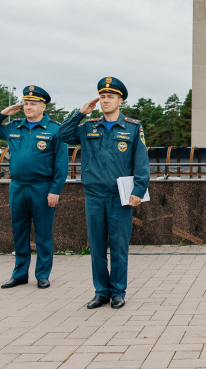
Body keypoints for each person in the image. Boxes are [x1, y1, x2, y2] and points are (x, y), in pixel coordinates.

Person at [57, 77, 149, 309]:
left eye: (111, 97)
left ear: (120, 100)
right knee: (97, 246)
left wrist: (138, 190)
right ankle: (101, 292)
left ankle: (118, 291)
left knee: (118, 246)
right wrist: (81, 113)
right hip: (94, 195)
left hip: (120, 196)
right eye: (103, 97)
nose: (106, 100)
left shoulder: (132, 127)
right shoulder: (89, 126)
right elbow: (61, 135)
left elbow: (141, 163)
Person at [0, 85, 68, 289]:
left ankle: (42, 274)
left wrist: (55, 189)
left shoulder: (55, 130)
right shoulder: (15, 126)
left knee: (43, 232)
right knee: (19, 230)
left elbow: (61, 164)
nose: (28, 107)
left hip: (42, 186)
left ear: (43, 106)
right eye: (26, 103)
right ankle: (20, 274)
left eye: (33, 103)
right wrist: (3, 113)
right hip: (18, 186)